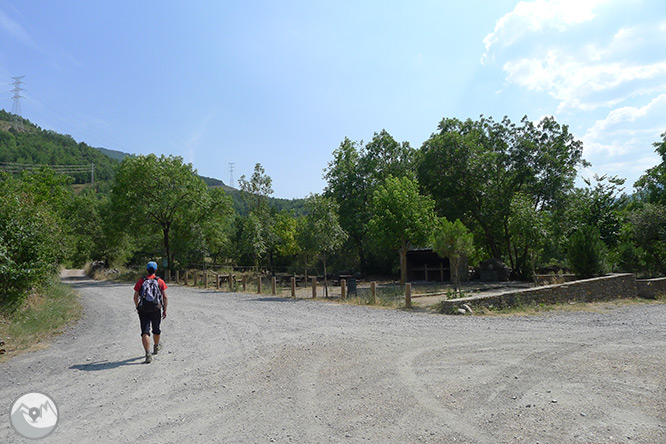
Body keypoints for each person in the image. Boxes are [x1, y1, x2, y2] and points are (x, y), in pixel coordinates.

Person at [133, 261, 168, 364]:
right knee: (156, 329)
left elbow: (135, 296)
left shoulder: (141, 281)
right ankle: (156, 347)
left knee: (145, 331)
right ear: (156, 270)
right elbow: (164, 297)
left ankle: (148, 354)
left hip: (143, 309)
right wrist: (165, 309)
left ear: (147, 270)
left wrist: (137, 306)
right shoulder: (160, 281)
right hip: (156, 308)